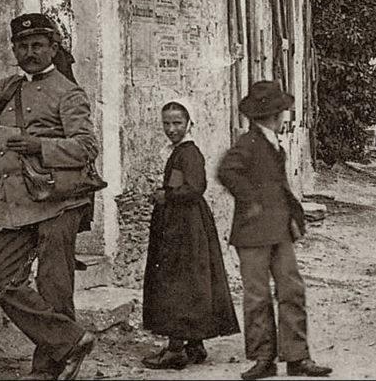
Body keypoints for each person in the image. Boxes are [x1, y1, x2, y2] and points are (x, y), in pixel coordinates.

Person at [0, 13, 97, 380]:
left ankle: (47, 370)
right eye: (22, 45)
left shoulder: (69, 92)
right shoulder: (11, 88)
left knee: (54, 288)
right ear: (14, 50)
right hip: (20, 205)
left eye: (38, 45)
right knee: (2, 281)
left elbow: (86, 147)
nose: (30, 52)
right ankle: (71, 341)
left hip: (60, 203)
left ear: (53, 47)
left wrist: (39, 145)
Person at [217, 81, 332, 380]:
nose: (285, 116)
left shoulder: (272, 143)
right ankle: (263, 358)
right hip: (253, 233)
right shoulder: (248, 143)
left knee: (292, 289)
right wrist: (250, 200)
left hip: (278, 230)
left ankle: (297, 357)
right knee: (257, 296)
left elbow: (280, 187)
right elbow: (226, 171)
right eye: (283, 111)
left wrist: (293, 218)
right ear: (275, 114)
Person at [141, 100, 240, 369]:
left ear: (188, 124)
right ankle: (195, 345)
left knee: (178, 281)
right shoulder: (179, 151)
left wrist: (166, 196)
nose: (171, 129)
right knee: (189, 281)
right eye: (166, 123)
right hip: (180, 222)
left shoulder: (189, 153)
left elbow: (196, 187)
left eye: (177, 123)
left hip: (186, 226)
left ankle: (175, 351)